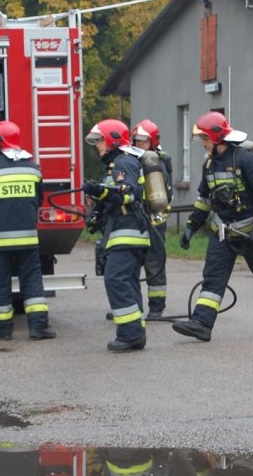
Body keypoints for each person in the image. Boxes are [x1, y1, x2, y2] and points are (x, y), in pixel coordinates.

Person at [173, 111, 253, 341]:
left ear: (217, 138)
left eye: (205, 139)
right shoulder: (209, 164)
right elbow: (204, 199)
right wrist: (191, 226)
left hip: (249, 233)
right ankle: (202, 323)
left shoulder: (245, 160)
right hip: (222, 231)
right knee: (213, 276)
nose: (202, 144)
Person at [0, 120, 56, 341]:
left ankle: (3, 331)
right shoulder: (33, 168)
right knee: (32, 281)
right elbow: (38, 200)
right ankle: (38, 328)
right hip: (27, 238)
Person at [83, 119, 151, 351]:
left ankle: (130, 333)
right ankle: (135, 332)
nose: (97, 146)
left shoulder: (124, 162)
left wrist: (101, 191)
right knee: (129, 281)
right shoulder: (113, 166)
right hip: (124, 232)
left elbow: (127, 195)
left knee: (115, 278)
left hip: (128, 233)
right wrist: (97, 214)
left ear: (112, 139)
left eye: (100, 140)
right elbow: (112, 199)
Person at [131, 119, 172, 318]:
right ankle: (130, 306)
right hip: (136, 219)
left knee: (154, 263)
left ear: (153, 142)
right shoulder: (131, 161)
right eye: (136, 141)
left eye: (143, 141)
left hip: (155, 221)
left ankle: (156, 307)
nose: (139, 145)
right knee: (129, 262)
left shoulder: (156, 164)